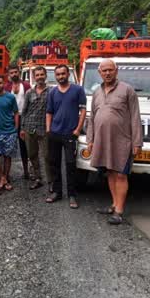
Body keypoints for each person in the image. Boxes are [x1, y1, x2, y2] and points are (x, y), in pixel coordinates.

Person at [87, 59, 142, 224]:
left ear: (116, 71)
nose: (107, 73)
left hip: (122, 142)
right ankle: (113, 204)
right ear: (100, 73)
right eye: (104, 71)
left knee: (120, 175)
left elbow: (135, 117)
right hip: (102, 142)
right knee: (110, 173)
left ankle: (119, 211)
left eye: (110, 70)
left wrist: (137, 142)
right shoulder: (96, 92)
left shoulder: (127, 90)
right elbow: (92, 118)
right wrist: (90, 139)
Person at [45, 64, 87, 208]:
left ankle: (72, 195)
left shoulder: (78, 90)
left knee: (70, 165)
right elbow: (49, 112)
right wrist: (48, 129)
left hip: (70, 133)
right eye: (58, 74)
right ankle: (57, 192)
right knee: (54, 164)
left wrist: (78, 129)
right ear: (55, 76)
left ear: (68, 74)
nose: (61, 76)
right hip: (55, 133)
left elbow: (83, 111)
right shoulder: (52, 92)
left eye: (63, 74)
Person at [20, 66, 53, 190]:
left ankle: (51, 182)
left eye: (41, 74)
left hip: (45, 128)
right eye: (37, 75)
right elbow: (24, 111)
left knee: (47, 156)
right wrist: (22, 128)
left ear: (45, 76)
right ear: (34, 77)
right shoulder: (29, 93)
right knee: (32, 155)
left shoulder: (51, 92)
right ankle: (38, 178)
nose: (39, 77)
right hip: (29, 128)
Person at [4, 64, 31, 182]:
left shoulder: (25, 85)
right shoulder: (6, 86)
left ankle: (26, 171)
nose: (14, 74)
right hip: (9, 119)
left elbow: (30, 102)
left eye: (16, 72)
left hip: (23, 118)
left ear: (19, 72)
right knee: (8, 146)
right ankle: (6, 174)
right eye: (12, 72)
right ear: (8, 74)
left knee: (24, 146)